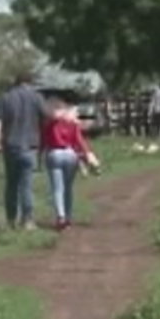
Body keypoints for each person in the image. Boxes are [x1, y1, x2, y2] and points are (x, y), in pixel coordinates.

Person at [0, 71, 51, 231]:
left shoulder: (6, 97)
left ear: (15, 82)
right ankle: (28, 221)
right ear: (30, 82)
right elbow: (47, 117)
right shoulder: (37, 97)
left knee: (11, 184)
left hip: (10, 146)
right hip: (30, 146)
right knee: (26, 185)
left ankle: (11, 220)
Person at [40, 99, 101, 230]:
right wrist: (87, 154)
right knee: (68, 188)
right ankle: (68, 218)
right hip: (70, 155)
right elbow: (79, 140)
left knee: (57, 189)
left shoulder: (49, 123)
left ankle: (60, 217)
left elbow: (43, 140)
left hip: (54, 154)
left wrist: (39, 156)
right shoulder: (72, 123)